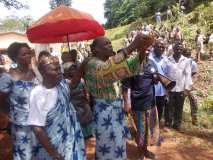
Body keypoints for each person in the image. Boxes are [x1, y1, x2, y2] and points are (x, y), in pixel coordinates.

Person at [76, 33, 155, 160]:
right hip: (104, 113)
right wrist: (133, 45)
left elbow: (130, 67)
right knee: (107, 146)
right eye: (106, 43)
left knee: (118, 144)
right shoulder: (92, 64)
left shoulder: (106, 62)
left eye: (110, 43)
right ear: (95, 49)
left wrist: (141, 50)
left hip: (114, 112)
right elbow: (106, 70)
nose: (110, 45)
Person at [28, 52, 86, 160]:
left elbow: (73, 84)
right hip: (53, 146)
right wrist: (54, 153)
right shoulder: (38, 93)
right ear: (43, 73)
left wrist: (82, 66)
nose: (60, 72)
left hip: (71, 141)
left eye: (59, 69)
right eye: (55, 70)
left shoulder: (62, 84)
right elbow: (36, 127)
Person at [0, 42, 37, 160]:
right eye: (23, 54)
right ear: (15, 57)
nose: (28, 56)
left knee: (39, 153)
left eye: (29, 53)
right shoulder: (8, 77)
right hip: (21, 125)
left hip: (39, 122)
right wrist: (8, 115)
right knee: (24, 155)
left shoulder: (36, 73)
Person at [122, 54, 161, 160]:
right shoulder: (131, 65)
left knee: (149, 130)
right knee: (140, 130)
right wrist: (126, 102)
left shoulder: (152, 63)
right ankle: (140, 153)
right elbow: (125, 86)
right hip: (138, 104)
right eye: (144, 47)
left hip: (151, 103)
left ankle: (145, 150)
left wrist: (156, 79)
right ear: (138, 48)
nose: (146, 50)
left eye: (149, 48)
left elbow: (155, 82)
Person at [164, 42, 192, 130]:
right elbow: (165, 74)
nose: (179, 50)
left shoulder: (186, 61)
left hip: (181, 89)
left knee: (179, 107)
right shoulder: (168, 60)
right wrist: (165, 89)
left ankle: (177, 124)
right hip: (170, 89)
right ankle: (168, 123)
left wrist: (186, 89)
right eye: (177, 49)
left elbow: (188, 75)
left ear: (182, 50)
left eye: (180, 49)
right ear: (173, 49)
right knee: (169, 107)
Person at [63, 62, 93, 139]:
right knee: (79, 119)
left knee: (87, 117)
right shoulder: (66, 82)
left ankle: (89, 133)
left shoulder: (81, 80)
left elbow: (85, 90)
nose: (73, 71)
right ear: (66, 71)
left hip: (83, 102)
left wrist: (87, 98)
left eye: (74, 69)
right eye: (70, 69)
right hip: (74, 104)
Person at [149, 39, 168, 124]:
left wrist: (167, 91)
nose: (161, 48)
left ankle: (156, 130)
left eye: (163, 47)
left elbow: (167, 75)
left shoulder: (166, 59)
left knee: (160, 111)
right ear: (154, 47)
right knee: (150, 112)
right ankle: (149, 132)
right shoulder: (149, 58)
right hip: (150, 90)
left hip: (162, 91)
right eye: (159, 46)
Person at [182, 48, 199, 125]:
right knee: (179, 101)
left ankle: (194, 119)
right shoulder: (180, 62)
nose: (187, 57)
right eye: (185, 55)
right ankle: (178, 117)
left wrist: (191, 84)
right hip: (181, 85)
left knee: (194, 101)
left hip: (190, 85)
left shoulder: (193, 64)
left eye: (188, 55)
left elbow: (195, 75)